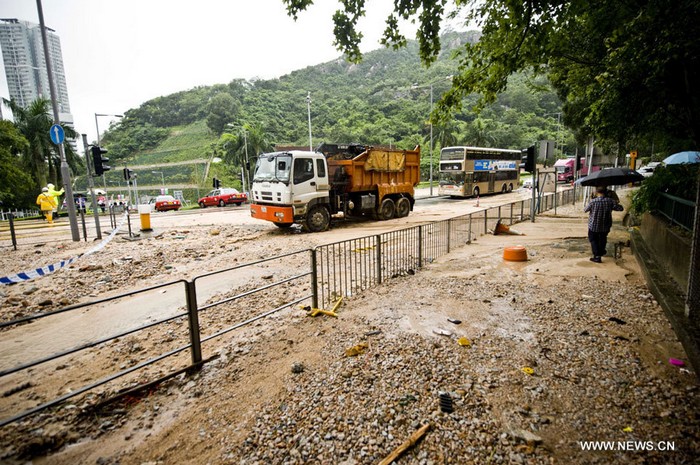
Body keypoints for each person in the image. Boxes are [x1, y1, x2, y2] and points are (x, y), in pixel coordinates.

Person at [584, 186, 623, 262]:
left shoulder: (593, 201)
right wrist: (615, 202)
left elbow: (585, 210)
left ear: (597, 192)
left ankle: (597, 256)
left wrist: (591, 200)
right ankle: (601, 251)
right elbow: (620, 208)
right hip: (605, 224)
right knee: (603, 238)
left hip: (593, 225)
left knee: (593, 239)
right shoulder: (610, 201)